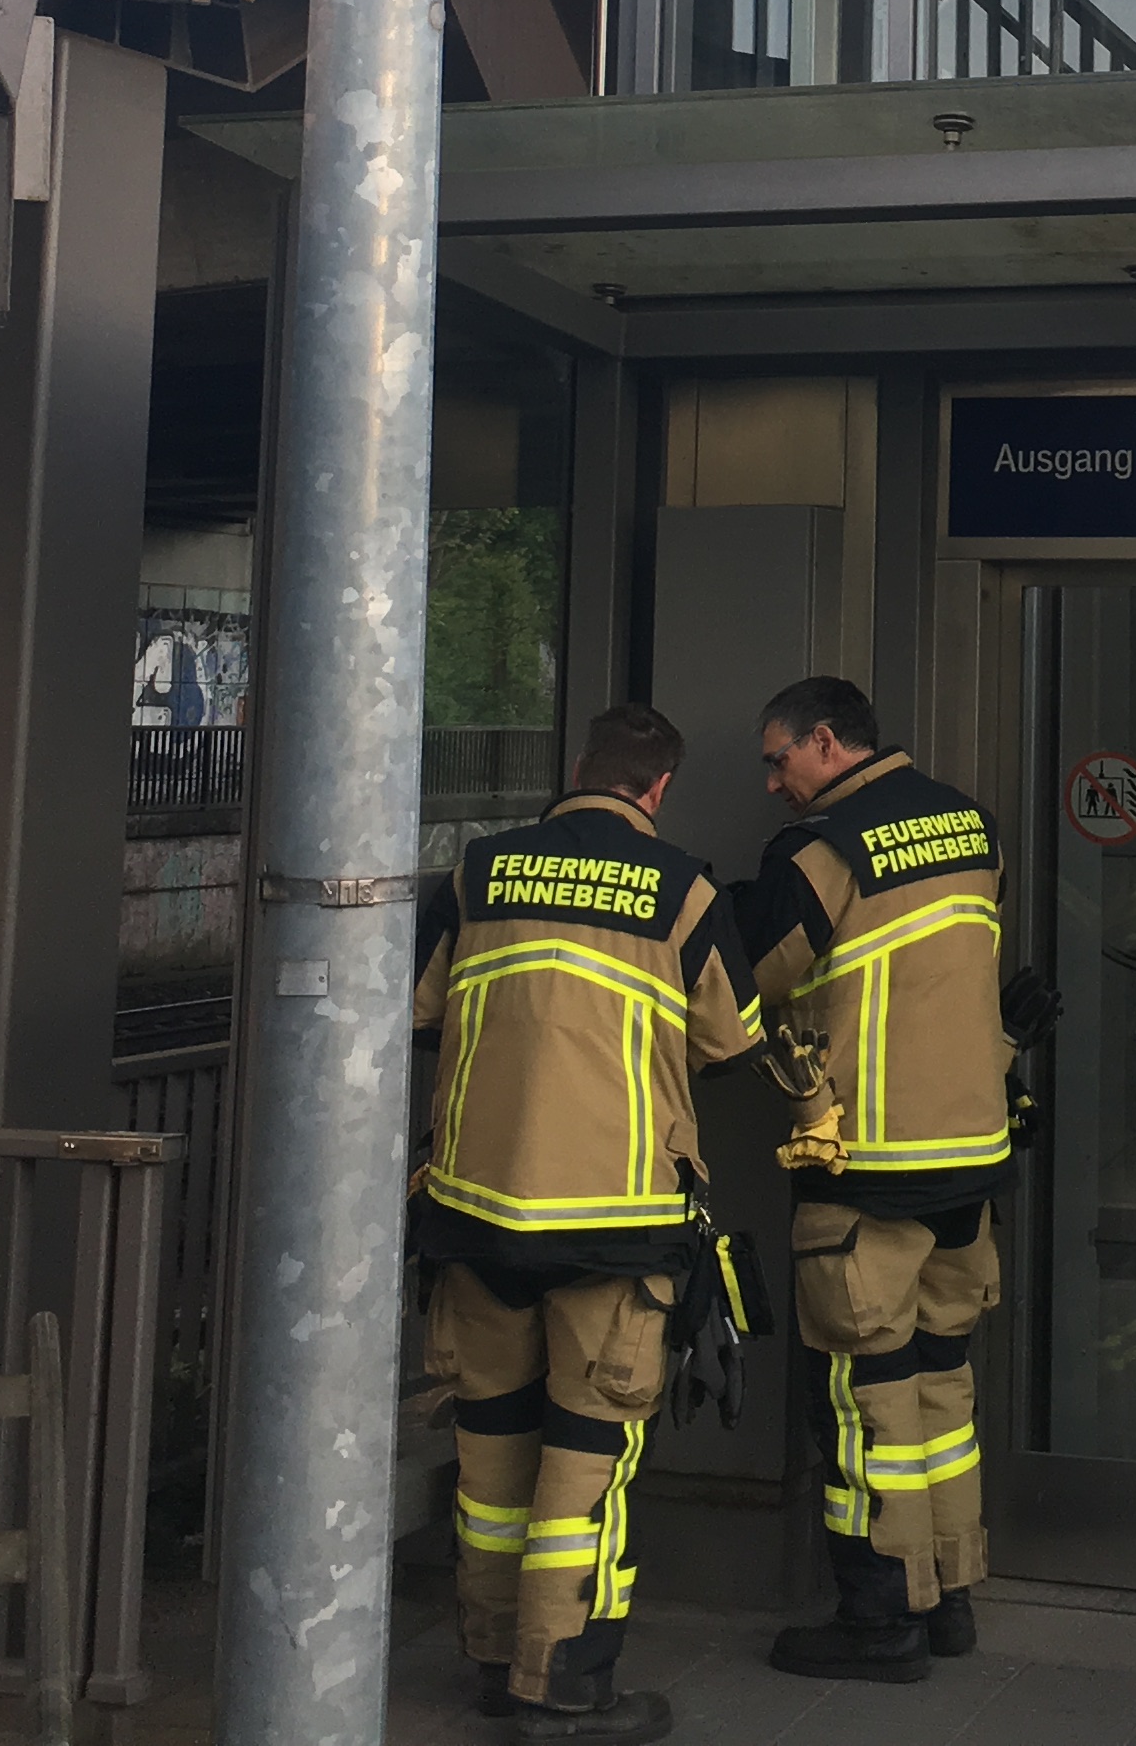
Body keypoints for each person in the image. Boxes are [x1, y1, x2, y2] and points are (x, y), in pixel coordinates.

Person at [412, 703, 763, 1741]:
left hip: (475, 1213)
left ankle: (492, 1658)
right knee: (586, 1458)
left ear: (577, 769)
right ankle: (562, 1683)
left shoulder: (477, 873)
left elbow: (419, 1012)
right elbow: (730, 1044)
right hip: (616, 1226)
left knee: (490, 1454)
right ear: (658, 788)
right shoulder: (683, 890)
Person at [735, 676, 1010, 1683]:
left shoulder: (820, 852)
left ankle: (880, 1620)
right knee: (941, 1386)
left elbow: (743, 981)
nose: (772, 783)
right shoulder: (970, 826)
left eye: (779, 759)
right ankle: (950, 1595)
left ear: (825, 741)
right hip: (967, 1157)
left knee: (865, 1401)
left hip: (868, 1165)